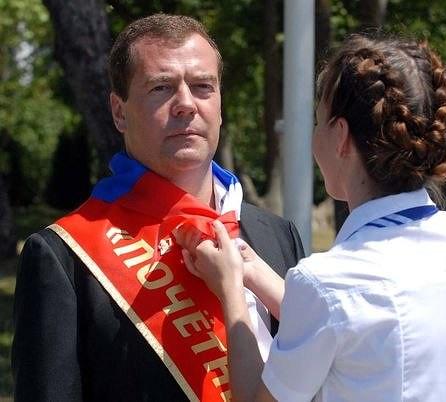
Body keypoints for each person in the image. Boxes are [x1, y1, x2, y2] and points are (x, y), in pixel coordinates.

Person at [177, 33, 446, 402]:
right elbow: (355, 328)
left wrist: (231, 288)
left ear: (341, 136)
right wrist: (254, 273)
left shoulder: (327, 281)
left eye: (318, 122)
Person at [11, 14, 305, 402]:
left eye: (202, 86)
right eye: (161, 88)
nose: (185, 104)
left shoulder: (277, 234)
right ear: (119, 112)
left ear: (220, 104)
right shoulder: (64, 256)